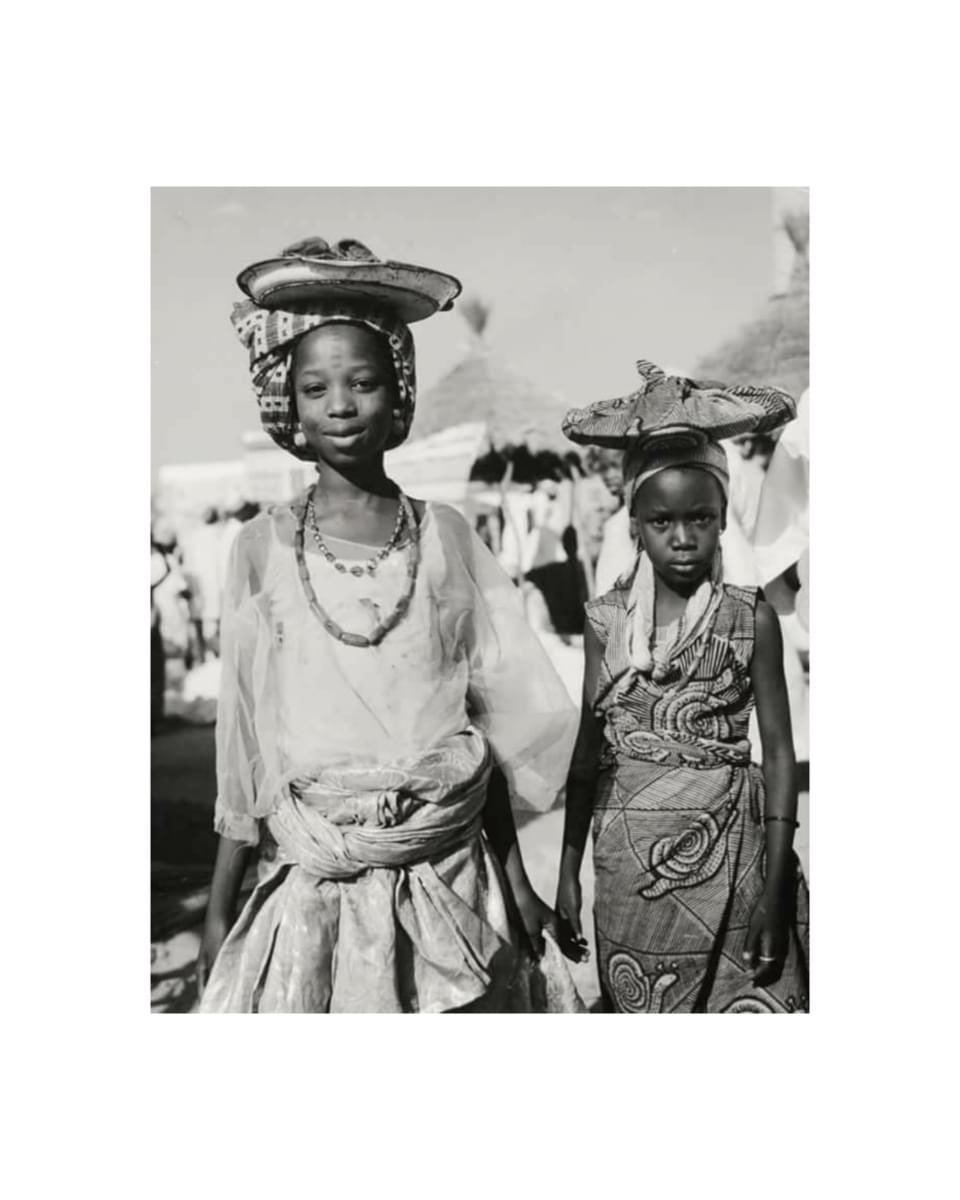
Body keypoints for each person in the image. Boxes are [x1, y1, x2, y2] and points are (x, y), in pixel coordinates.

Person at [196, 237, 581, 1013]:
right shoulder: (261, 550)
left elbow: (484, 738)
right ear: (290, 406)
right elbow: (247, 745)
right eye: (316, 387)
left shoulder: (445, 539)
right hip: (314, 888)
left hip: (450, 879)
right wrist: (218, 907)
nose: (341, 404)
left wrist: (517, 881)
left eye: (364, 382)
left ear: (398, 393)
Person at [556, 361, 809, 1012]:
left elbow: (778, 753)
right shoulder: (606, 621)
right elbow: (588, 752)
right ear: (634, 524)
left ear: (724, 516)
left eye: (700, 518)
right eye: (662, 522)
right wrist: (566, 873)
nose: (683, 538)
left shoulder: (747, 616)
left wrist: (777, 888)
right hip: (626, 872)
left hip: (739, 861)